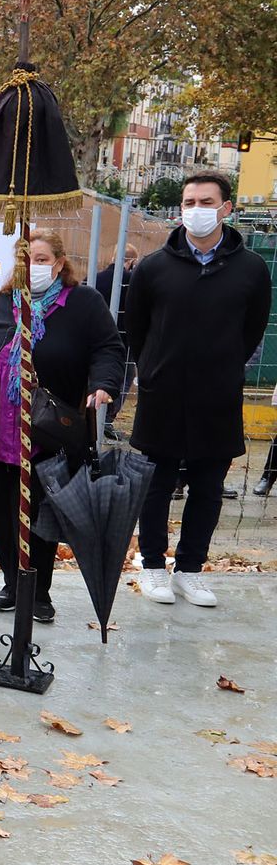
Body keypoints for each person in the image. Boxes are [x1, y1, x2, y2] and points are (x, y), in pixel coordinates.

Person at [0, 232, 123, 622]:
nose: (34, 268)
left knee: (40, 517)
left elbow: (108, 349)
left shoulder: (82, 304)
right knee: (1, 515)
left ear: (60, 263)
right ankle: (12, 583)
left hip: (47, 435)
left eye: (42, 259)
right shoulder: (2, 303)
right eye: (27, 260)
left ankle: (38, 591)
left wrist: (103, 385)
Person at [127, 172, 271, 607]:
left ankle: (190, 570)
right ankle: (152, 564)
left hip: (217, 396)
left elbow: (252, 329)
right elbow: (138, 329)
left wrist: (223, 367)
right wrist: (153, 371)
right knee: (155, 484)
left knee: (208, 488)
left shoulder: (251, 269)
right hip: (163, 395)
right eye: (189, 201)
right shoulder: (153, 267)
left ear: (227, 208)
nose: (196, 209)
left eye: (206, 201)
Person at [92, 243, 138, 437]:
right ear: (131, 262)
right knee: (125, 376)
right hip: (123, 340)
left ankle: (93, 418)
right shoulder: (132, 281)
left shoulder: (95, 278)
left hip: (94, 338)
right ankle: (107, 419)